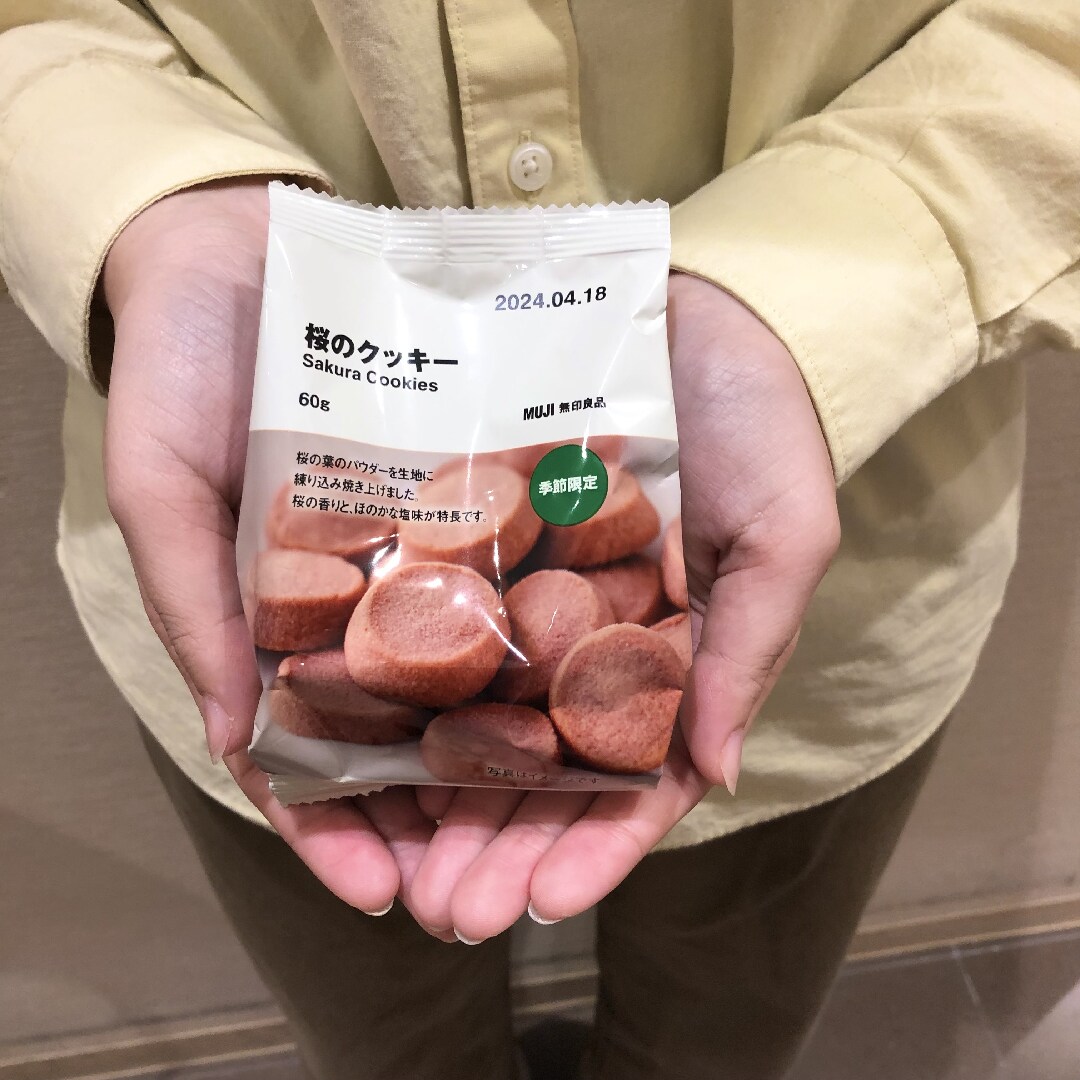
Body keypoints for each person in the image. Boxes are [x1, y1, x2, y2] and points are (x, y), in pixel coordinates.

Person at [2, 2, 1078, 1078]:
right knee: (393, 1050)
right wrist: (167, 223)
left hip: (835, 618)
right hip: (248, 617)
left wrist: (831, 282)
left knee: (716, 1040)